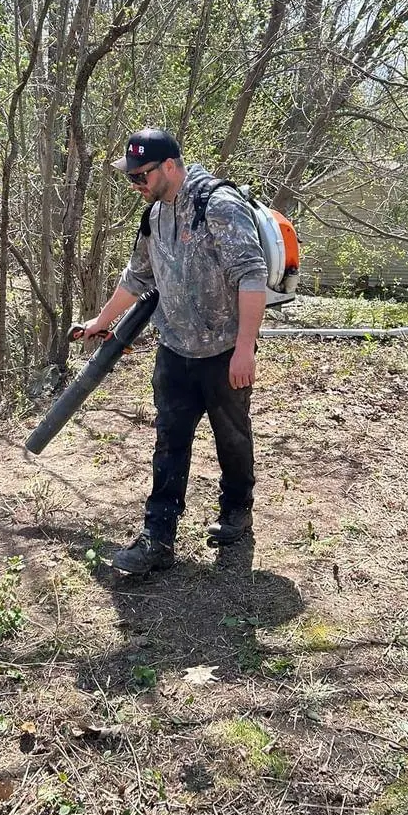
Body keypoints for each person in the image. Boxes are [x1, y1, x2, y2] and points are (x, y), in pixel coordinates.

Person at [81, 128, 268, 574]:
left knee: (232, 437)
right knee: (169, 442)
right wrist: (100, 323)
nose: (136, 186)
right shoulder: (154, 216)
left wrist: (245, 349)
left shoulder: (218, 207)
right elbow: (136, 279)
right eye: (130, 178)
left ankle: (237, 510)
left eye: (141, 176)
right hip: (175, 351)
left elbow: (252, 276)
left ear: (169, 166)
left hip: (224, 351)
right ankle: (158, 536)